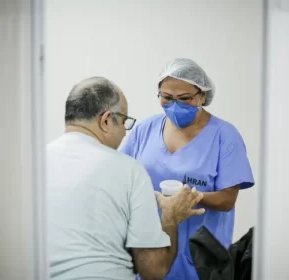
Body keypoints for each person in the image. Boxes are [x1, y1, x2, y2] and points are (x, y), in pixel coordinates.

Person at [47, 76, 205, 280]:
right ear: (105, 120)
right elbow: (153, 270)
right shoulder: (129, 170)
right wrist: (170, 217)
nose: (124, 133)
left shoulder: (31, 166)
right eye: (123, 122)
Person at [119, 58, 255, 279]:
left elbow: (227, 200)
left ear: (202, 96)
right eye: (167, 98)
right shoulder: (144, 130)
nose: (175, 105)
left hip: (201, 261)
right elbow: (122, 179)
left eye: (184, 99)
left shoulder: (224, 136)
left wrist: (189, 197)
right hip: (151, 253)